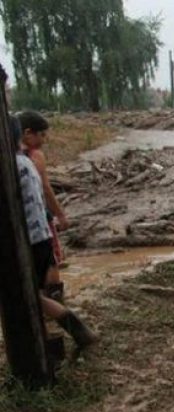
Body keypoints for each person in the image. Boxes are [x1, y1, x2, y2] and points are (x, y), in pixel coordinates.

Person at [10, 115, 98, 356]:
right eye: (43, 135)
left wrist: (60, 215)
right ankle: (64, 330)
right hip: (40, 235)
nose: (45, 140)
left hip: (29, 239)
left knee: (26, 296)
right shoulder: (26, 161)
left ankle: (75, 331)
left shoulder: (14, 165)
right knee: (33, 291)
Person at [18, 111, 67, 303]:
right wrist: (60, 215)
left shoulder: (12, 156)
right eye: (42, 135)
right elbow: (46, 189)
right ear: (28, 133)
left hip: (20, 223)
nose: (44, 140)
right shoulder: (34, 156)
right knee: (51, 261)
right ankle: (54, 304)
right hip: (38, 221)